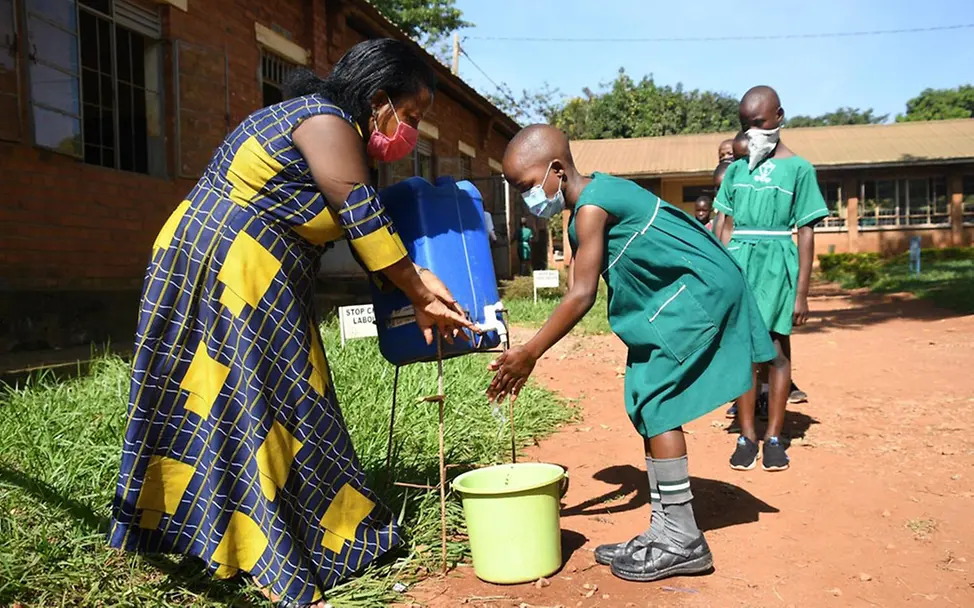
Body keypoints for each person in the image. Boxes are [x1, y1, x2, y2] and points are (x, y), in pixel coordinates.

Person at [108, 39, 477, 608]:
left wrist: (418, 288)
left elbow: (362, 239)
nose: (409, 132)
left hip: (222, 256)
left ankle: (197, 532)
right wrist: (417, 285)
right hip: (235, 263)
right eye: (411, 116)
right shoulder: (326, 122)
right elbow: (359, 210)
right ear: (378, 99)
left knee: (231, 397)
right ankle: (279, 556)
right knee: (267, 402)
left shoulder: (331, 131)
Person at [487, 125, 775, 582]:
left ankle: (681, 540)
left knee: (656, 404)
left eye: (525, 187)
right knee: (644, 395)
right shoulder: (587, 202)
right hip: (678, 294)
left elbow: (580, 296)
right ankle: (666, 529)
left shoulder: (592, 207)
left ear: (556, 170)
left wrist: (530, 352)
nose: (526, 198)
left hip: (697, 291)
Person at [715, 85, 828, 472]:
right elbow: (724, 225)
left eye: (759, 122)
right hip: (740, 262)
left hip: (779, 262)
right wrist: (721, 274)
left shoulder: (799, 169)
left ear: (779, 117)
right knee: (744, 353)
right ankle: (748, 435)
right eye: (745, 125)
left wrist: (802, 294)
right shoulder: (734, 171)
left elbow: (807, 232)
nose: (752, 131)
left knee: (777, 352)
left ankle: (775, 437)